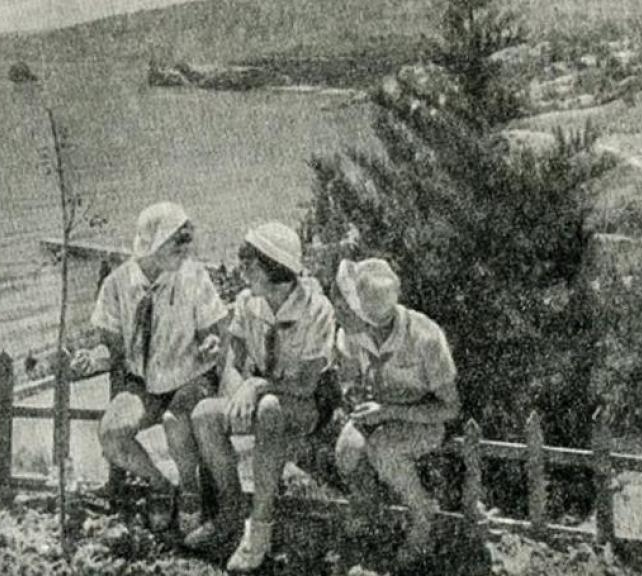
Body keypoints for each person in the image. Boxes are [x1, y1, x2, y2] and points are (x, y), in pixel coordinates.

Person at [184, 222, 335, 572]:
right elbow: (234, 362)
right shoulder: (247, 302)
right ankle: (231, 514)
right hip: (261, 396)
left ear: (273, 266)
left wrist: (257, 388)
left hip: (304, 405)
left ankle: (260, 529)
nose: (241, 268)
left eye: (248, 261)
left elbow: (307, 384)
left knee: (269, 408)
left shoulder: (317, 309)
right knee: (205, 414)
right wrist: (239, 390)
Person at [71, 202, 228, 533]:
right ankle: (159, 484)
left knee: (176, 421)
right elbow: (111, 348)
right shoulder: (117, 285)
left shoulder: (193, 276)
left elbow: (213, 332)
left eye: (188, 242)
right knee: (112, 435)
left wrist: (211, 343)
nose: (185, 251)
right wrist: (92, 359)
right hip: (143, 383)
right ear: (153, 241)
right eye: (177, 242)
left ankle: (189, 489)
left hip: (189, 377)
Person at [331, 258, 460, 566]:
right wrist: (353, 397)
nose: (337, 312)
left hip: (420, 419)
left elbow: (450, 407)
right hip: (377, 415)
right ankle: (369, 511)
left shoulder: (425, 338)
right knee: (346, 452)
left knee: (383, 450)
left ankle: (422, 516)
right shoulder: (350, 334)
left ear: (369, 316)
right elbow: (349, 378)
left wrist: (389, 411)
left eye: (346, 308)